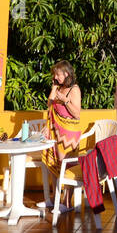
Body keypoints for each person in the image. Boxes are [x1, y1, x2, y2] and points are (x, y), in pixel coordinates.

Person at [40, 60, 82, 193]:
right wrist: (53, 87)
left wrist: (66, 101)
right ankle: (55, 197)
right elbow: (49, 104)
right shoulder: (59, 88)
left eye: (57, 74)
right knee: (53, 163)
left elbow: (76, 114)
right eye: (54, 75)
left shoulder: (74, 89)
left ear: (66, 73)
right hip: (56, 132)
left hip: (68, 134)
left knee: (66, 166)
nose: (55, 77)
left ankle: (67, 201)